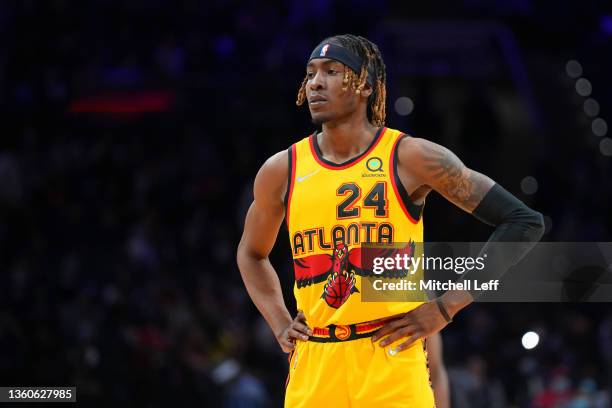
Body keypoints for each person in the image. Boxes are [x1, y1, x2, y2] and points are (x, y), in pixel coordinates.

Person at [237, 34, 544, 407]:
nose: (315, 82)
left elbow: (522, 222)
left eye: (332, 72)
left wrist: (445, 308)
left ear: (365, 85)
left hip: (391, 359)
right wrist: (280, 322)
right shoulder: (281, 169)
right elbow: (252, 254)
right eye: (311, 73)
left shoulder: (410, 156)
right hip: (314, 363)